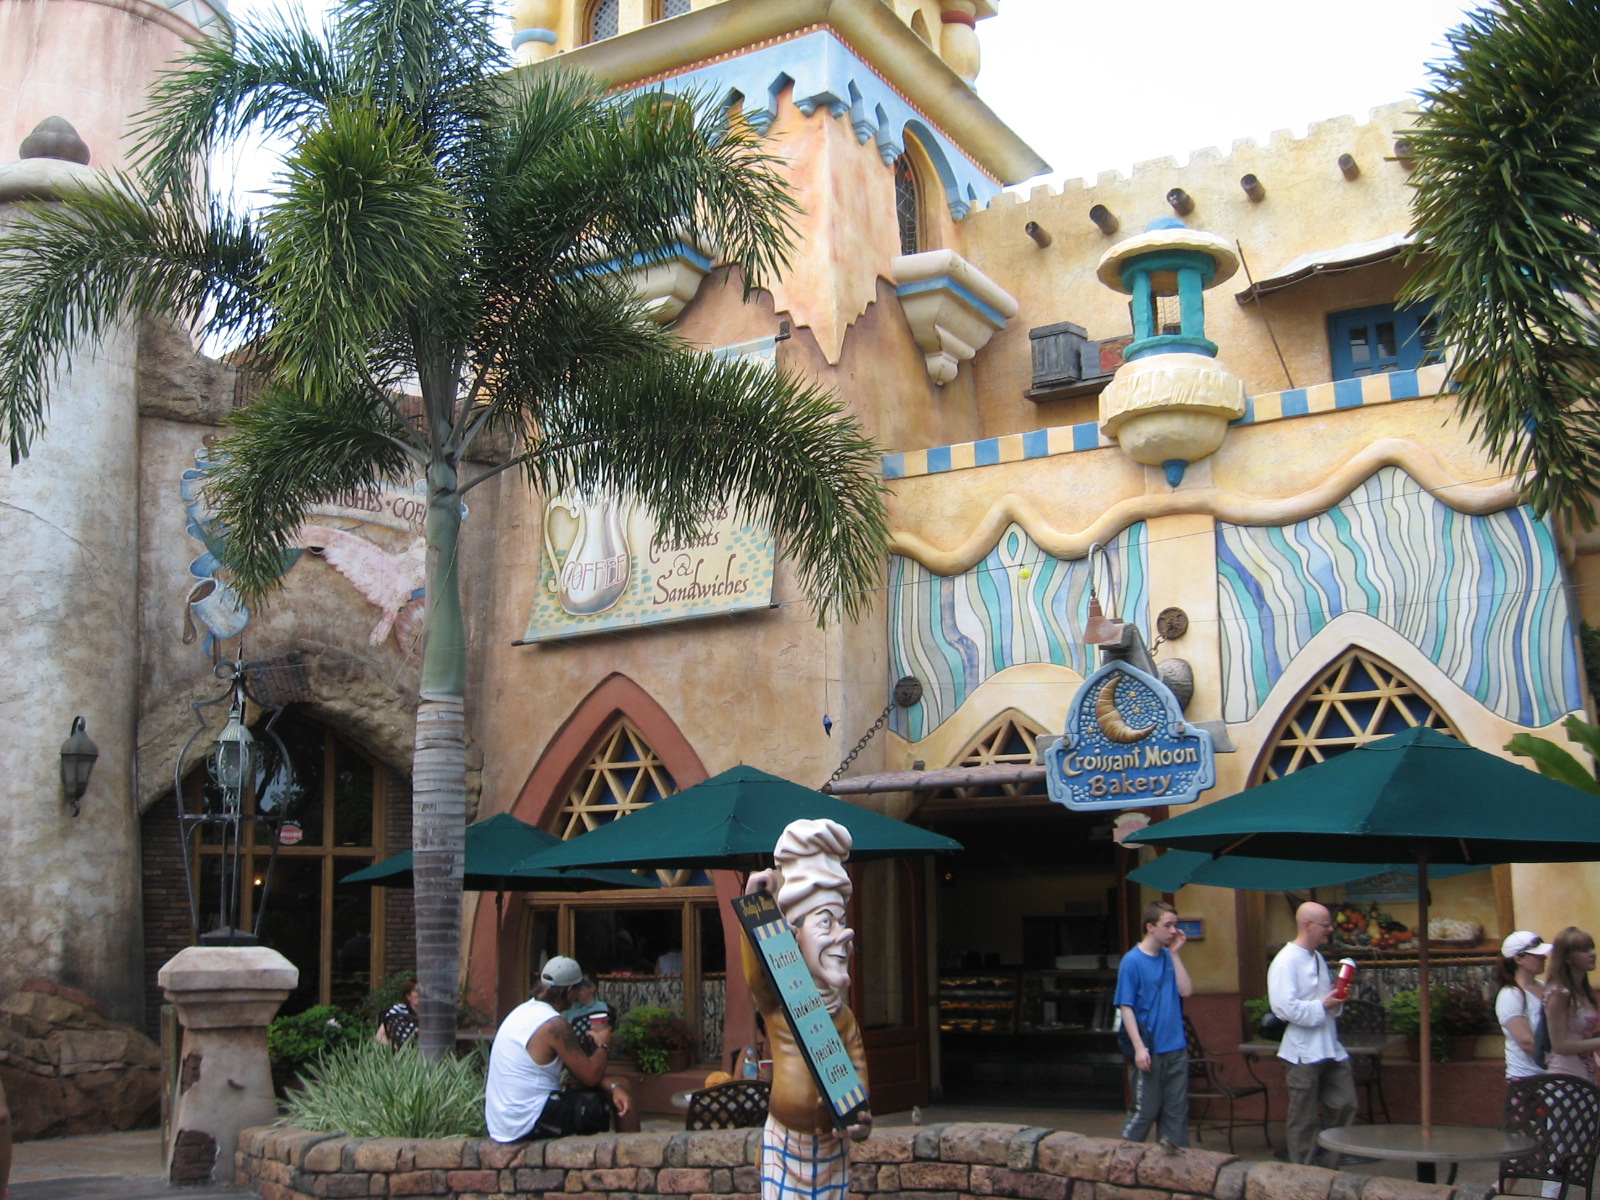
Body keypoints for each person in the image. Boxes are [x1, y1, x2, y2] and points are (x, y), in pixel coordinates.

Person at [743, 819, 871, 1200]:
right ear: (794, 934)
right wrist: (754, 905)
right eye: (826, 923)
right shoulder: (782, 1004)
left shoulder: (844, 1020)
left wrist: (861, 1119)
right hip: (785, 1145)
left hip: (831, 1149)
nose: (842, 936)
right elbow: (756, 976)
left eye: (842, 923)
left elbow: (858, 1078)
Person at [484, 956, 635, 1141]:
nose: (578, 995)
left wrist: (612, 1086)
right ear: (570, 991)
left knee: (617, 1086)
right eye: (578, 989)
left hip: (503, 1123)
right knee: (622, 1090)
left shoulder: (521, 1011)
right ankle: (632, 1152)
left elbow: (576, 1070)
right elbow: (591, 1077)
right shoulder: (555, 1024)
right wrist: (604, 1044)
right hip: (528, 1122)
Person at [1268, 901, 1356, 1167]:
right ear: (1307, 925)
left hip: (1329, 1045)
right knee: (1303, 1117)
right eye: (1325, 924)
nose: (1330, 929)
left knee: (1344, 1103)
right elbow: (1284, 1008)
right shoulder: (1285, 961)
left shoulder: (1317, 957)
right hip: (1301, 1051)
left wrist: (1335, 1000)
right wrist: (1323, 1006)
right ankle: (1303, 1173)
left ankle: (1329, 1167)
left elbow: (1323, 999)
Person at [1115, 900, 1193, 1147]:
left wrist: (1176, 954)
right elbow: (1126, 1007)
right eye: (1167, 925)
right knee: (1144, 1111)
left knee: (1176, 1113)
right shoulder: (1132, 961)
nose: (1173, 931)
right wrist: (1139, 1048)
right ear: (1150, 927)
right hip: (1150, 1047)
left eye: (1175, 925)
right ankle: (1122, 1156)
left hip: (1175, 1047)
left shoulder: (1169, 956)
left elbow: (1186, 991)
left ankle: (1172, 1160)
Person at [1543, 926, 1600, 1082]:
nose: (1592, 954)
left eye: (1592, 948)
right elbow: (1560, 1045)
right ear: (1567, 958)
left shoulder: (1583, 991)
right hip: (1565, 1076)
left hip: (1585, 1073)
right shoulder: (1558, 993)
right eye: (1584, 950)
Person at [1496, 931, 1552, 1080]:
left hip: (1553, 1075)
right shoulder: (1511, 995)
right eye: (1537, 955)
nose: (1544, 957)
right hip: (1528, 1078)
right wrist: (1557, 1063)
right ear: (1519, 959)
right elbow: (1526, 1042)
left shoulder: (1545, 986)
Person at [375, 976, 420, 1049]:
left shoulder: (432, 1013)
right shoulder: (399, 1010)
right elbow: (380, 1035)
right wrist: (393, 1051)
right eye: (417, 991)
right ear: (408, 996)